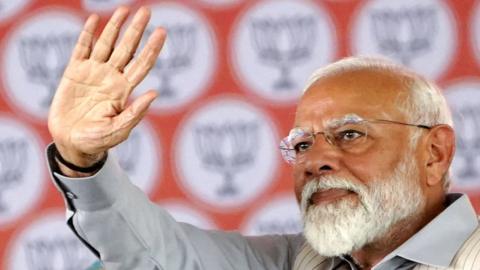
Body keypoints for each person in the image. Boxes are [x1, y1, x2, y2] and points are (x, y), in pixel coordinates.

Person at [46, 6, 480, 270]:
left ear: (434, 152)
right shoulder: (293, 263)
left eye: (350, 134)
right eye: (303, 144)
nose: (315, 161)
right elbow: (156, 254)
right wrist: (81, 160)